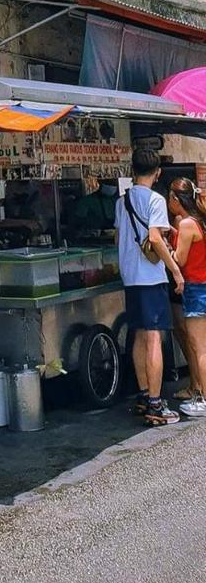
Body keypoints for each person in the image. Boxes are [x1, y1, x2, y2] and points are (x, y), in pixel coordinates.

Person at [115, 153, 184, 425]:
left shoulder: (123, 202)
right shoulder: (155, 200)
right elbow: (155, 237)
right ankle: (156, 403)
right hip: (151, 278)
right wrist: (175, 270)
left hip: (130, 277)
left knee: (140, 335)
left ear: (133, 170)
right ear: (157, 173)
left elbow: (118, 236)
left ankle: (144, 396)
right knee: (154, 337)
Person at [168, 178, 206, 419]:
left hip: (195, 288)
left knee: (199, 347)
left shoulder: (187, 225)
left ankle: (202, 399)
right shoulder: (201, 221)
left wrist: (163, 247)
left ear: (175, 199)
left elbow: (180, 260)